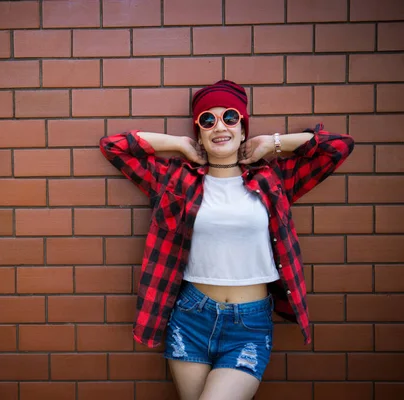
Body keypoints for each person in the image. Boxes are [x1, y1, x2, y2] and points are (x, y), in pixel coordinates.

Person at [99, 80, 354, 400]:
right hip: (190, 318)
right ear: (200, 133)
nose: (220, 126)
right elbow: (114, 146)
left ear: (243, 128)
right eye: (208, 120)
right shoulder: (175, 179)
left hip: (248, 326)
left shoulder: (273, 177)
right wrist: (179, 144)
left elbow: (339, 146)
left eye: (230, 117)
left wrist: (271, 143)